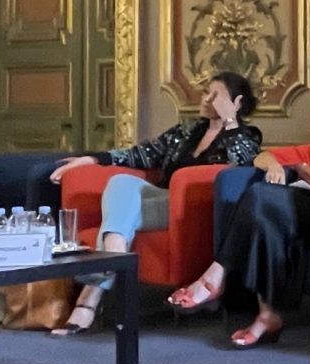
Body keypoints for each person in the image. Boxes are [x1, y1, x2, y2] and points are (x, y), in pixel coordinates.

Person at [47, 72, 263, 336]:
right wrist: (91, 159)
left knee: (122, 208)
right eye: (206, 92)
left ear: (237, 102)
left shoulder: (246, 136)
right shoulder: (186, 130)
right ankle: (116, 258)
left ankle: (89, 300)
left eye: (215, 95)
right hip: (159, 200)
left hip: (188, 210)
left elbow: (243, 164)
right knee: (120, 183)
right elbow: (141, 154)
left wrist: (230, 122)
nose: (205, 99)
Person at [165, 92, 310, 347]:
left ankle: (216, 273)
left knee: (259, 195)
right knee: (264, 221)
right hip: (301, 213)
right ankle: (267, 316)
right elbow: (261, 157)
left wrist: (299, 167)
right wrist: (275, 166)